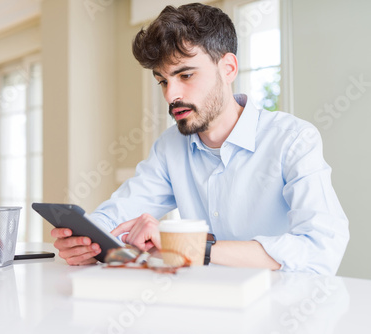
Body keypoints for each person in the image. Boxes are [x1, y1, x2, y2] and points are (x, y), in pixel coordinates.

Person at [51, 3, 349, 275]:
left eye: (186, 75)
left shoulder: (293, 139)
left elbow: (321, 248)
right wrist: (87, 241)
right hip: (203, 307)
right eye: (163, 81)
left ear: (228, 68)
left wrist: (190, 247)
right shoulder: (170, 147)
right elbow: (118, 213)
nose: (171, 95)